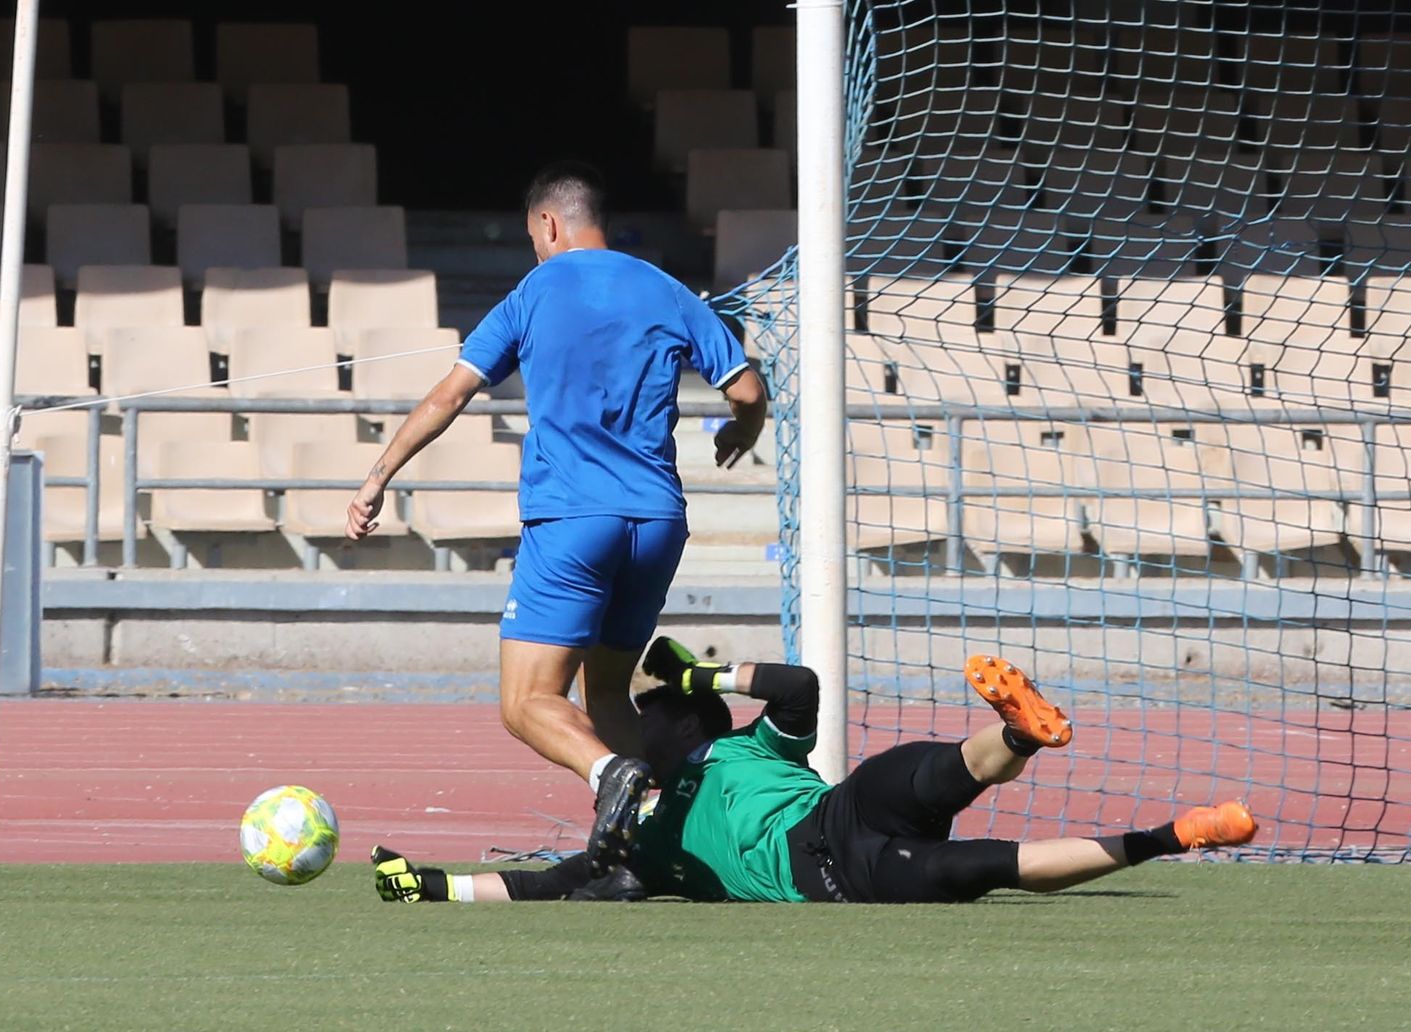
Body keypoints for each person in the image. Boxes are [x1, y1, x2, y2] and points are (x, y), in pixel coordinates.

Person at [345, 164, 769, 873]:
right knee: (605, 694)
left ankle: (611, 779)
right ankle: (683, 835)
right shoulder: (665, 288)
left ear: (547, 225)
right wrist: (742, 435)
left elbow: (451, 396)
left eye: (532, 238)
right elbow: (748, 388)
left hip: (575, 519)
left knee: (525, 703)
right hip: (657, 523)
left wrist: (376, 476)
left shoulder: (534, 290)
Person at [372, 641, 1259, 904]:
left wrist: (698, 674)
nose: (635, 729)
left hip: (832, 816)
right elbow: (549, 883)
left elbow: (799, 687)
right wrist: (431, 887)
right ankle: (1175, 834)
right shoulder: (634, 835)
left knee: (930, 776)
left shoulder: (751, 745)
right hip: (828, 875)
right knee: (985, 867)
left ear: (687, 723)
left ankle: (1020, 736)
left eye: (653, 713)